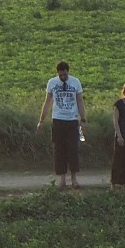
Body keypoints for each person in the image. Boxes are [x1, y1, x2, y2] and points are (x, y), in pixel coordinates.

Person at [38, 59, 84, 189]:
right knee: (59, 150)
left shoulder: (75, 82)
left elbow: (80, 101)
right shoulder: (52, 83)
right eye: (60, 75)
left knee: (73, 150)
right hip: (58, 120)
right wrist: (41, 120)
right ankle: (62, 180)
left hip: (72, 120)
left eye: (64, 74)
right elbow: (47, 102)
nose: (62, 77)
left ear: (68, 72)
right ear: (57, 73)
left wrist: (83, 118)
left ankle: (74, 179)